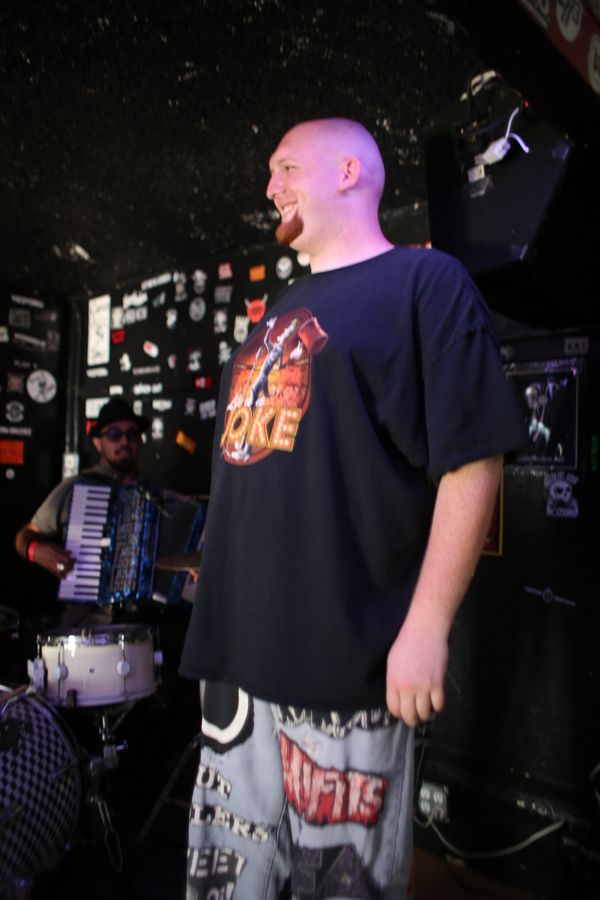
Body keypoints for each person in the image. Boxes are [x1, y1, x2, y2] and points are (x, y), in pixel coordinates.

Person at [179, 117, 527, 899]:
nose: (270, 187)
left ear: (347, 171)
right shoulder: (281, 307)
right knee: (224, 883)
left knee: (341, 888)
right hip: (234, 661)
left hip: (344, 664)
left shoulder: (423, 282)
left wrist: (427, 625)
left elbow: (475, 457)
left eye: (286, 167)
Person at [14, 396, 153, 629]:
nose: (124, 441)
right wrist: (36, 550)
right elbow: (23, 536)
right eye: (114, 434)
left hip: (144, 622)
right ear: (98, 442)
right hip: (87, 621)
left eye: (132, 434)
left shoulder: (154, 496)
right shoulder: (77, 487)